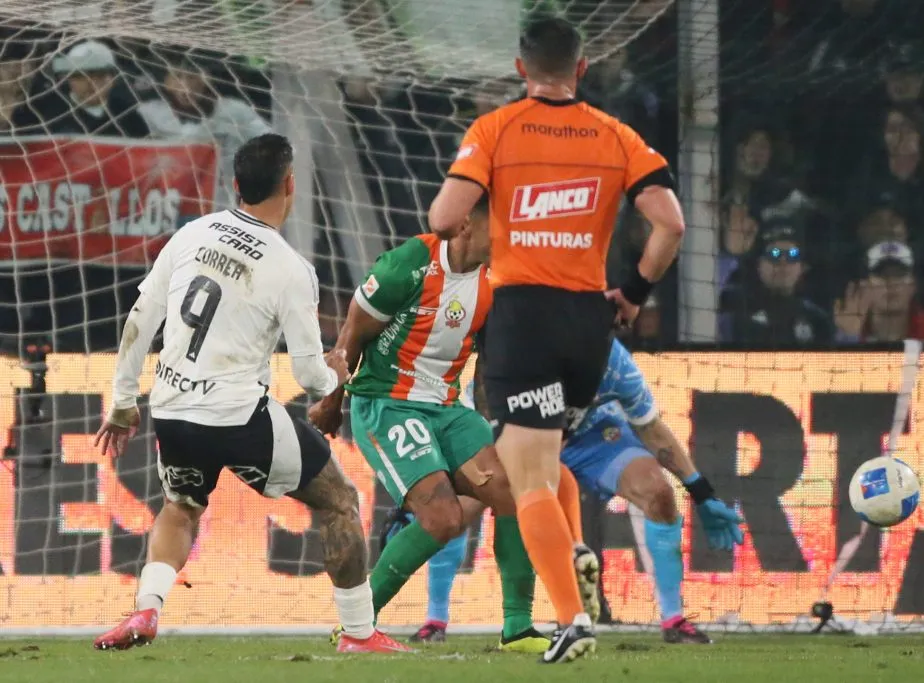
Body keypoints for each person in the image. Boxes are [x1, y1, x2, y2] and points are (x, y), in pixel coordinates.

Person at [427, 14, 685, 663]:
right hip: (589, 325)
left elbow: (444, 216)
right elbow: (671, 224)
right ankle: (572, 554)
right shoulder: (616, 134)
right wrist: (634, 292)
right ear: (582, 68)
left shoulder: (496, 128)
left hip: (523, 317)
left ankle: (572, 618)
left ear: (521, 69)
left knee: (528, 478)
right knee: (546, 465)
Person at [92, 133, 405, 654]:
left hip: (172, 408)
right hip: (238, 416)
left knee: (180, 507)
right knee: (340, 500)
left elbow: (140, 318)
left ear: (235, 185)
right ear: (290, 185)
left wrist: (124, 402)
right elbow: (309, 377)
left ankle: (147, 607)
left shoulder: (192, 233)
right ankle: (358, 632)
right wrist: (335, 374)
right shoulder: (291, 269)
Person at [309, 196, 559, 654]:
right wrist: (332, 401)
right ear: (465, 224)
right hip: (387, 404)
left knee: (515, 489)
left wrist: (498, 421)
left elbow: (489, 358)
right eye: (498, 228)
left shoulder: (495, 279)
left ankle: (517, 628)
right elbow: (352, 334)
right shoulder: (406, 266)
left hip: (447, 407)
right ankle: (357, 627)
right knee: (443, 519)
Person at [407, 339, 743, 645]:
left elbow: (651, 428)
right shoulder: (509, 357)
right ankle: (436, 620)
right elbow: (472, 434)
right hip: (526, 441)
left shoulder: (614, 362)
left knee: (658, 493)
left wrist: (701, 492)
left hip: (597, 438)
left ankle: (673, 619)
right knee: (457, 509)